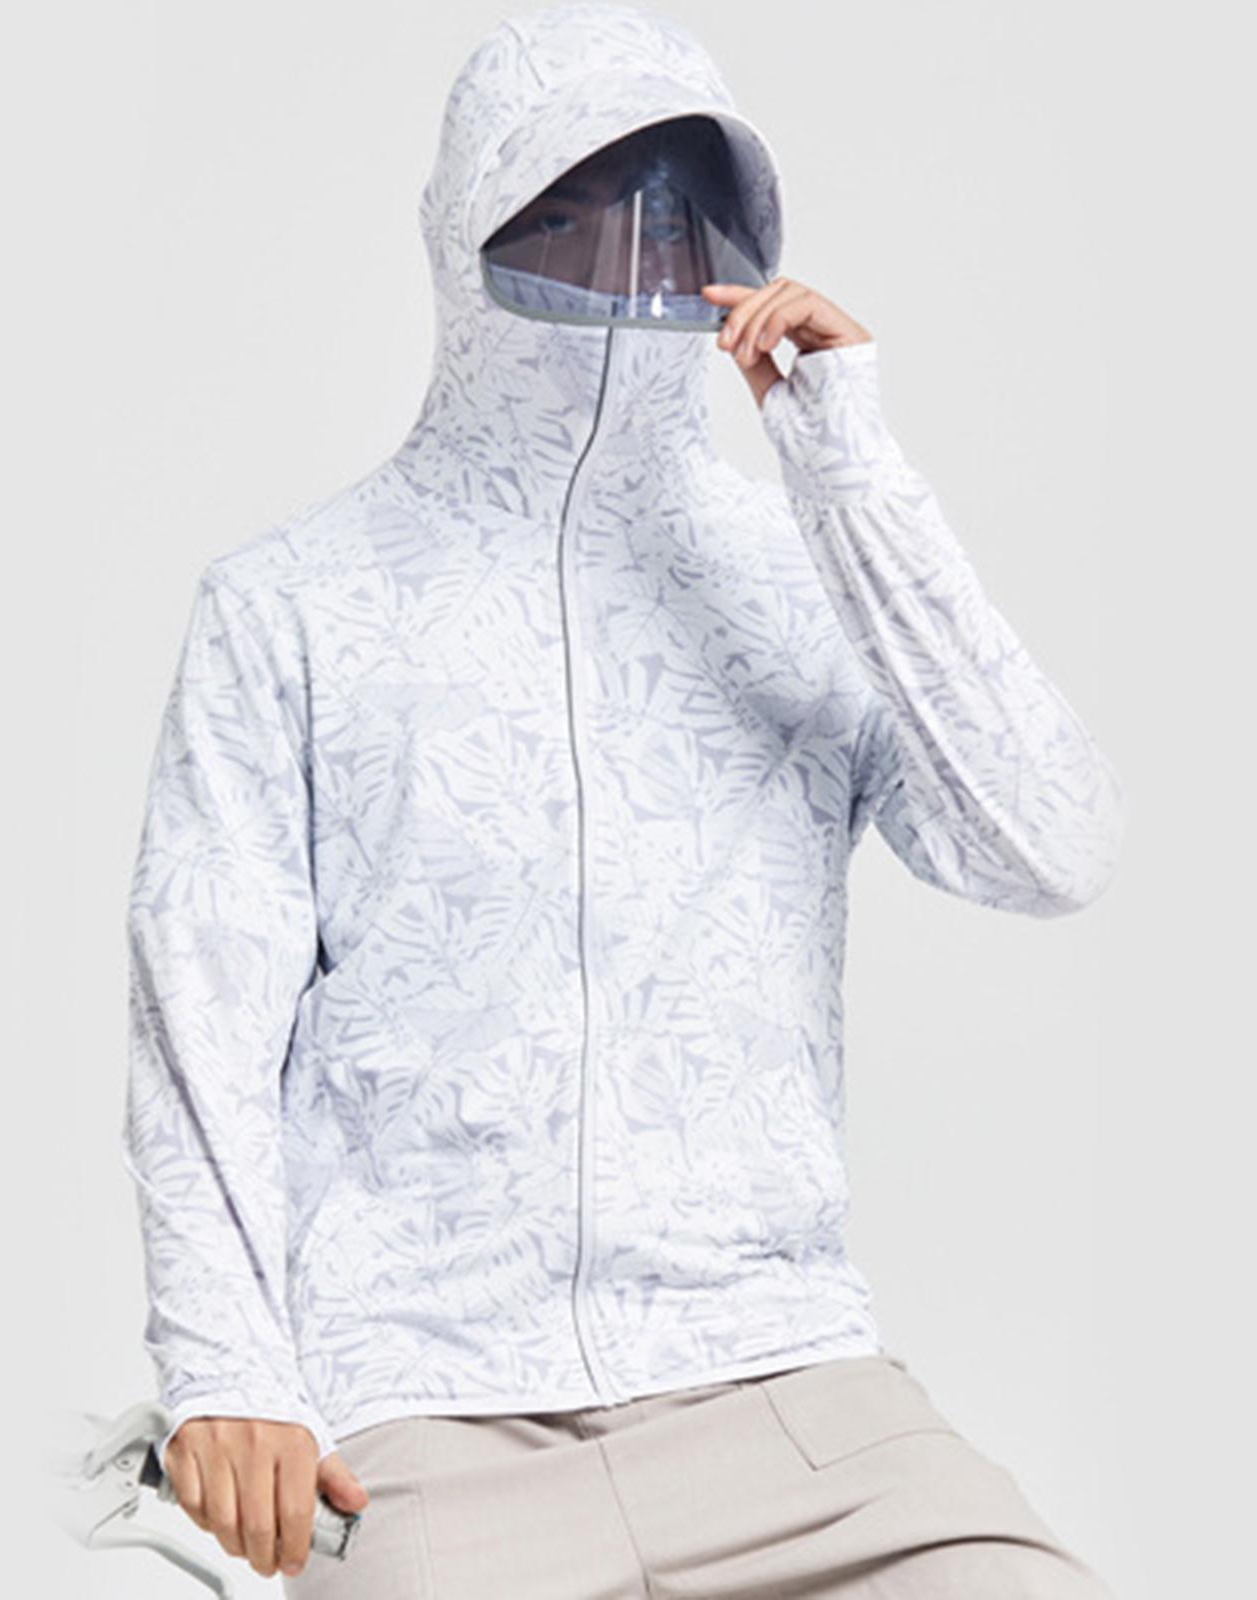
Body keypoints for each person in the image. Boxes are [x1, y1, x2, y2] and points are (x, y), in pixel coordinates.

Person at [119, 4, 1126, 1595]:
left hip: (791, 1391)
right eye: (569, 205)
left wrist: (850, 474)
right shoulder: (290, 607)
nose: (629, 253)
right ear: (464, 231)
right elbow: (203, 1024)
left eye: (672, 210)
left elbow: (1051, 845)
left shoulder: (802, 577)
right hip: (429, 1419)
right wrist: (226, 1368)